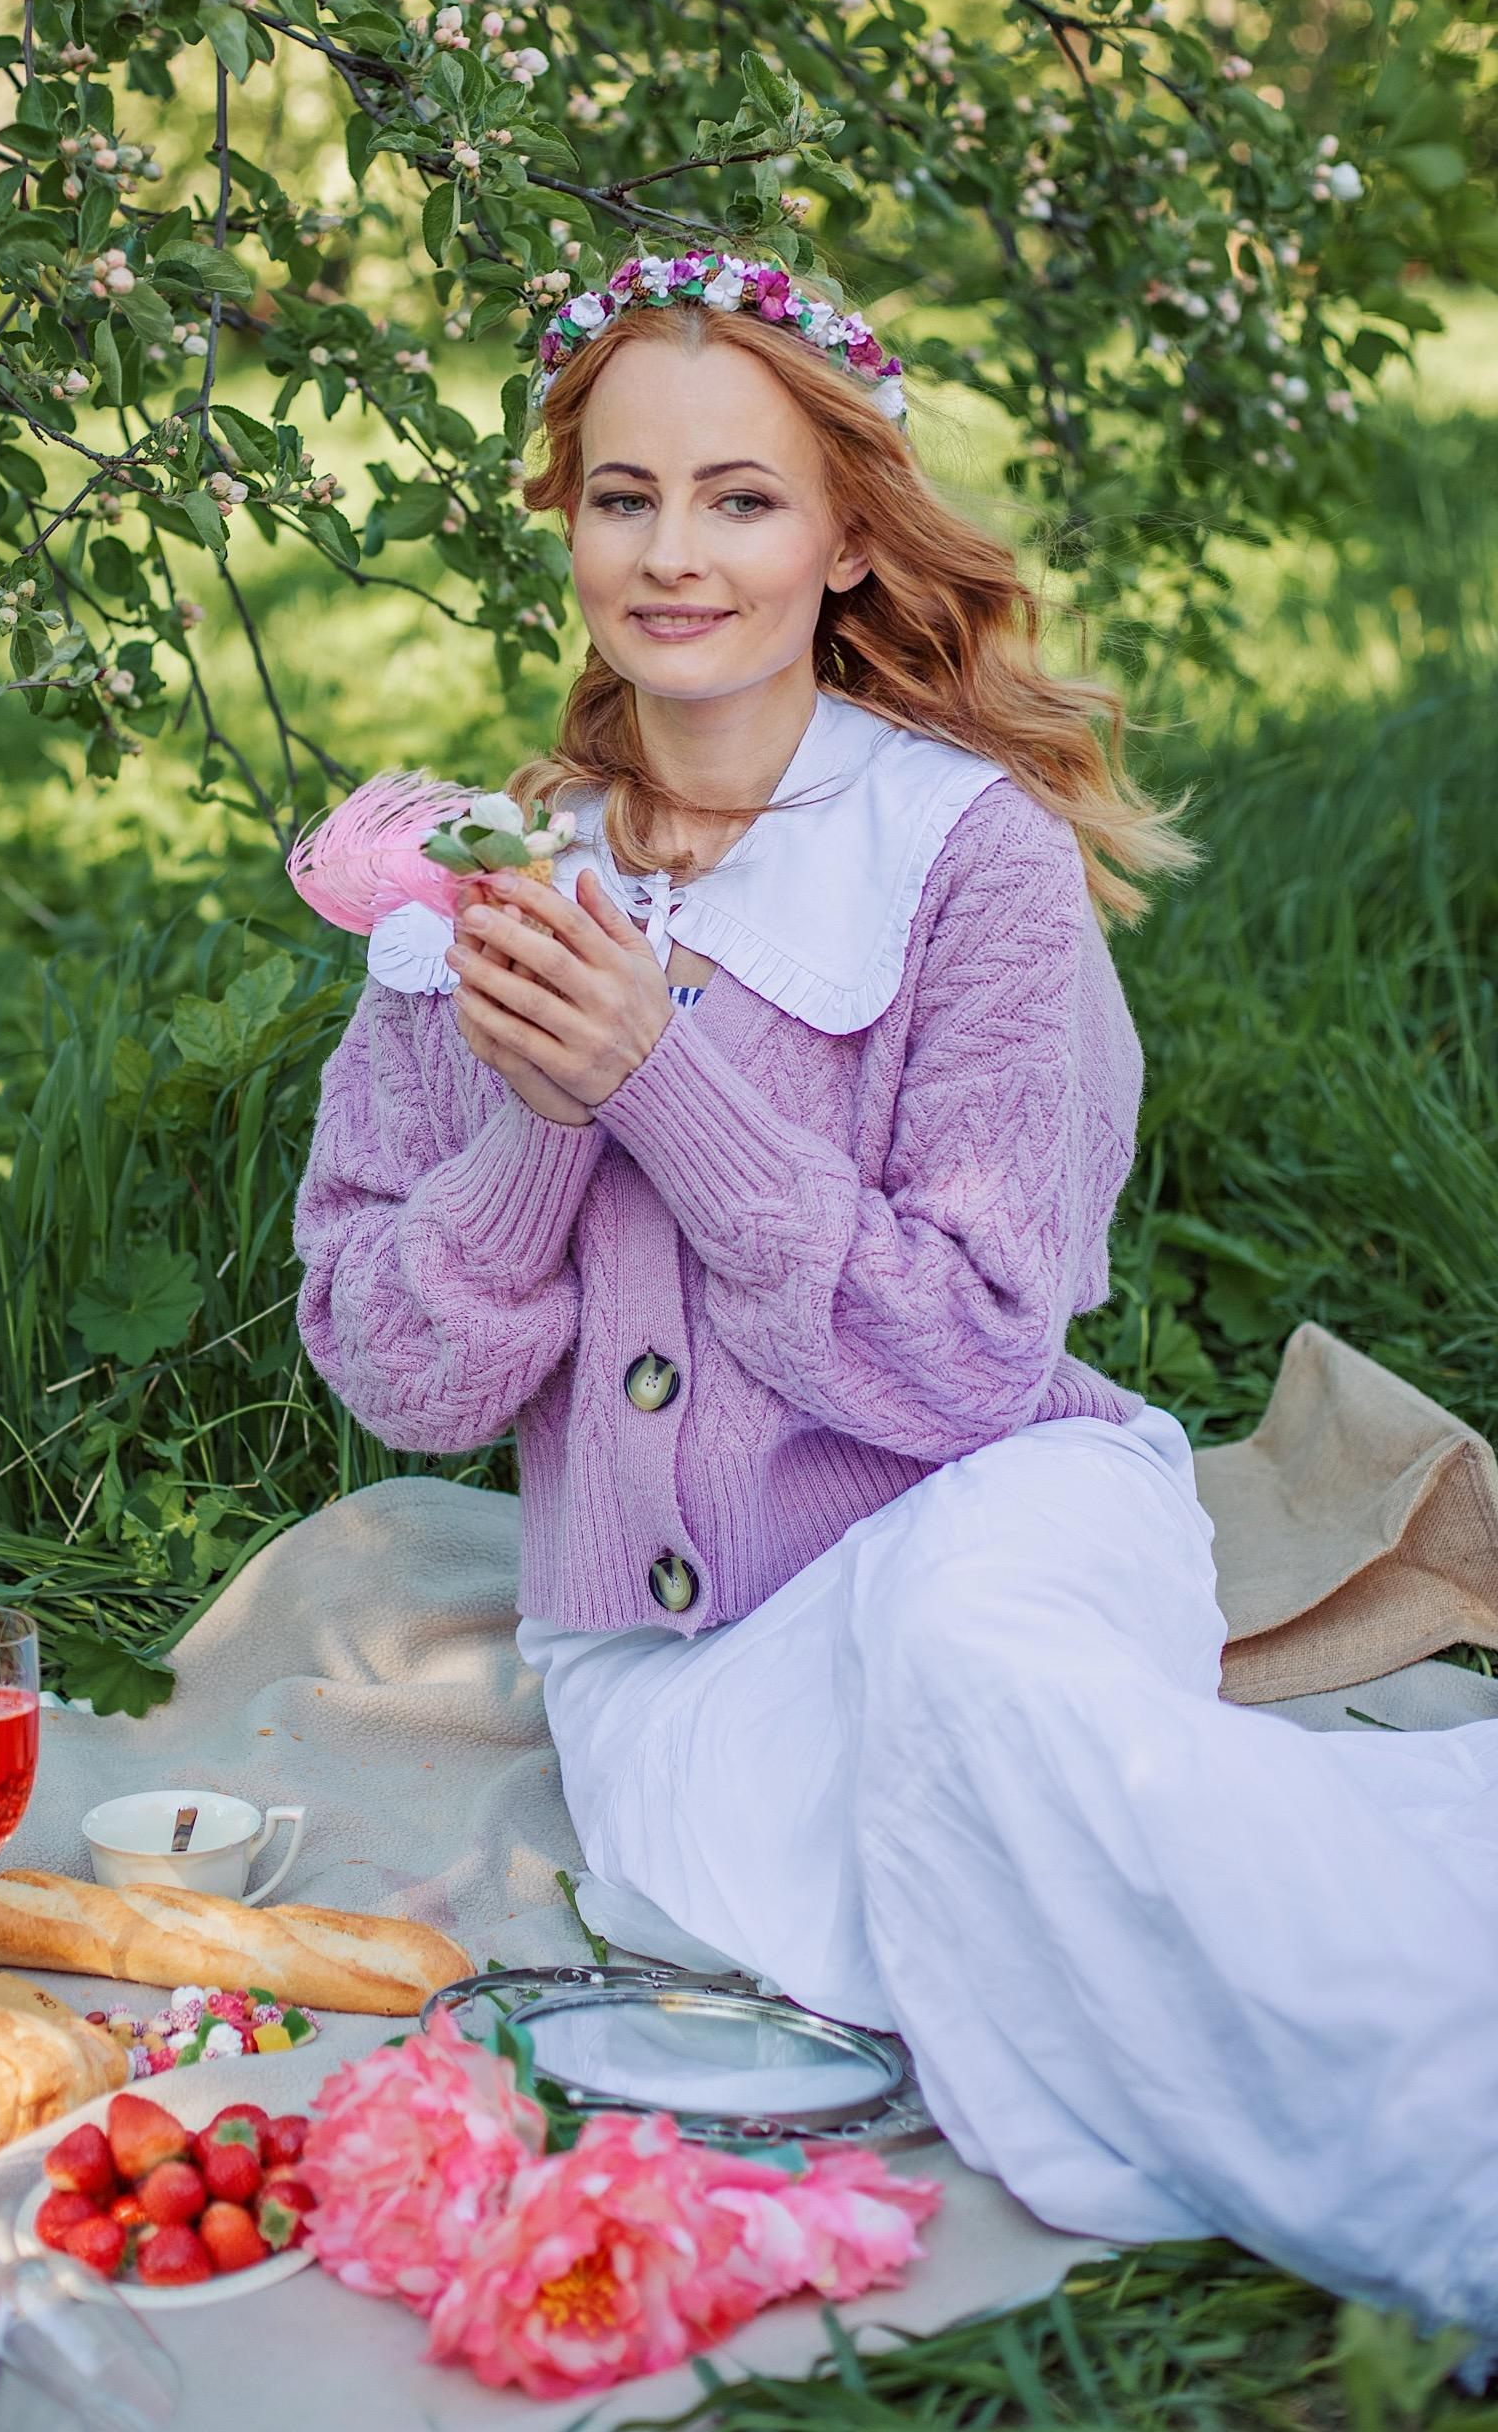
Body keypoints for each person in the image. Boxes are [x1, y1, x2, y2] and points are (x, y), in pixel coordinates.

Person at [292, 251, 1498, 2337]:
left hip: (989, 1507)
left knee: (984, 1692)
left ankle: (1437, 2173)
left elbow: (962, 1351)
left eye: (741, 499)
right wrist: (549, 1114)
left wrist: (660, 1075)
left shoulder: (969, 861)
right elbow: (396, 1370)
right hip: (669, 1662)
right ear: (565, 518)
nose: (674, 554)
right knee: (885, 1904)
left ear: (846, 536)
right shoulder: (490, 881)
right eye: (622, 494)